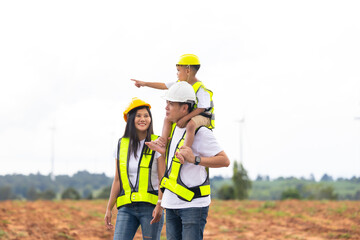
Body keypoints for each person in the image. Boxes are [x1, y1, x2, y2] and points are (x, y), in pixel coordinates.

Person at [157, 82, 230, 240]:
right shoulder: (175, 129)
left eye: (171, 104)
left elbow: (224, 160)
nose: (166, 107)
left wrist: (195, 159)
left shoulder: (201, 131)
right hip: (171, 204)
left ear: (184, 108)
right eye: (166, 103)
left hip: (193, 206)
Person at [104, 97, 165, 240]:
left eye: (146, 115)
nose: (142, 119)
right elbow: (118, 180)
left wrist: (160, 205)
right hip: (126, 208)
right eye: (138, 116)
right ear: (131, 119)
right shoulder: (121, 144)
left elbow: (162, 178)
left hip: (151, 207)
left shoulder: (157, 143)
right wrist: (109, 208)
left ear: (150, 119)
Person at [131, 54, 214, 155]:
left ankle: (185, 151)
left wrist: (185, 118)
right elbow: (163, 85)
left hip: (204, 116)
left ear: (187, 71)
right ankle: (163, 142)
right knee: (167, 119)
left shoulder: (201, 89)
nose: (177, 73)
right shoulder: (180, 84)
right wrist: (144, 84)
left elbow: (201, 109)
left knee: (191, 124)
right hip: (190, 114)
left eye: (179, 70)